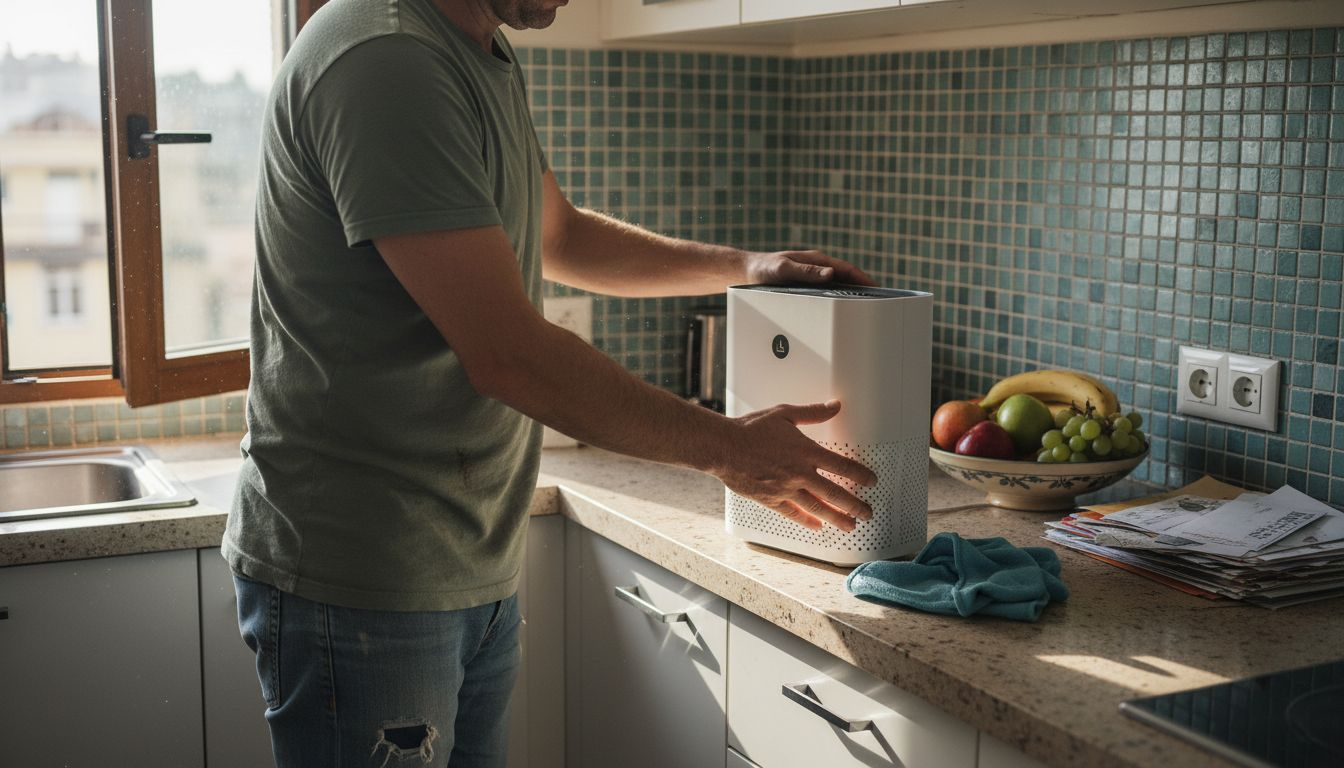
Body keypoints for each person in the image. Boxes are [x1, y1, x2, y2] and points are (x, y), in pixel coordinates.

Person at [222, 0, 878, 765]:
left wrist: (746, 269)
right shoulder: (383, 57)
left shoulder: (478, 51)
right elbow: (509, 353)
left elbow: (558, 234)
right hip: (365, 571)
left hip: (465, 555)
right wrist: (727, 449)